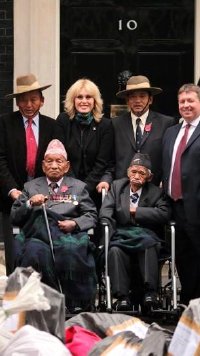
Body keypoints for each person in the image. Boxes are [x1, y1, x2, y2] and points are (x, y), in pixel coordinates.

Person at [11, 139, 98, 314]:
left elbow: (91, 215)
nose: (54, 165)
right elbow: (15, 216)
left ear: (66, 166)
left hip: (68, 234)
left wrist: (74, 223)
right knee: (35, 252)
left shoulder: (79, 187)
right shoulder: (30, 187)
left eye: (59, 161)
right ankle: (39, 302)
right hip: (37, 235)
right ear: (43, 166)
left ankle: (74, 301)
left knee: (70, 250)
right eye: (49, 161)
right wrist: (29, 203)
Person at [0, 73, 57, 276]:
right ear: (17, 102)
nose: (28, 104)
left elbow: (55, 161)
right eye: (23, 100)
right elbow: (1, 160)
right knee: (15, 250)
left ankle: (42, 296)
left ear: (42, 101)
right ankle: (17, 300)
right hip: (12, 198)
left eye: (33, 99)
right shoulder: (5, 124)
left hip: (44, 199)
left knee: (41, 249)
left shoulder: (52, 125)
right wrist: (13, 190)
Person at [99, 153, 170, 311]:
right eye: (134, 171)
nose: (136, 176)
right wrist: (108, 236)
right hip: (121, 234)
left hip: (146, 233)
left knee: (148, 244)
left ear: (149, 177)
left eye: (142, 173)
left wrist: (136, 212)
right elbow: (105, 213)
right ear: (128, 172)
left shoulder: (155, 192)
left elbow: (164, 213)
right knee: (115, 250)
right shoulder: (117, 187)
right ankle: (122, 296)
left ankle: (149, 293)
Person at [162, 83, 200, 305]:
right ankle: (187, 305)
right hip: (173, 207)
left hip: (196, 206)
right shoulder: (171, 132)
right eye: (182, 101)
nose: (186, 105)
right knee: (182, 259)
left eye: (191, 101)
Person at [56, 78, 114, 209]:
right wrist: (74, 186)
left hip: (94, 189)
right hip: (66, 188)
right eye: (79, 97)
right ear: (73, 100)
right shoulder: (63, 121)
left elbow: (102, 162)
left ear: (95, 101)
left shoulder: (105, 125)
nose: (84, 101)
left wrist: (85, 189)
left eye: (88, 97)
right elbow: (61, 157)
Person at [113, 75, 175, 186]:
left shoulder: (166, 123)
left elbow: (169, 159)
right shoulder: (115, 124)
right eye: (133, 97)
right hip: (123, 190)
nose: (137, 101)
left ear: (150, 99)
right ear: (127, 100)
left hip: (154, 190)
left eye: (142, 96)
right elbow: (109, 160)